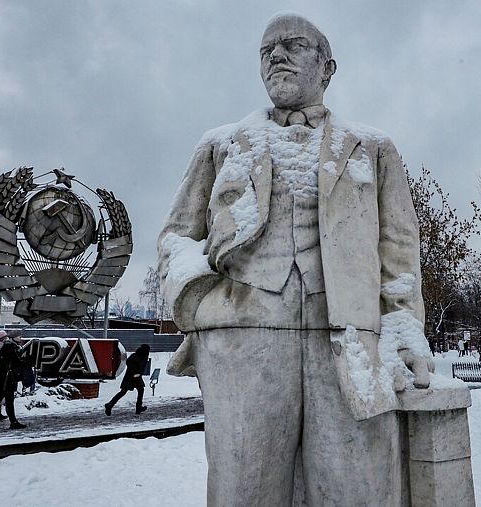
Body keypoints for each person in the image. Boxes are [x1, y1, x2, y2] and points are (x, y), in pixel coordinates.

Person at [158, 13, 432, 505]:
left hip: (349, 337)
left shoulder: (373, 147)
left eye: (292, 45)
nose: (275, 56)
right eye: (266, 51)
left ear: (327, 68)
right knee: (244, 488)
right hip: (245, 340)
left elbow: (399, 252)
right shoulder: (219, 144)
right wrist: (199, 303)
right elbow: (177, 237)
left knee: (359, 487)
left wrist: (403, 328)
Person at [105, 344, 149, 415]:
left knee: (123, 391)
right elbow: (142, 367)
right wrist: (137, 373)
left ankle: (110, 404)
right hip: (136, 376)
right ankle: (138, 408)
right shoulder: (144, 356)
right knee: (140, 390)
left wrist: (132, 370)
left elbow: (128, 361)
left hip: (128, 375)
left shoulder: (135, 354)